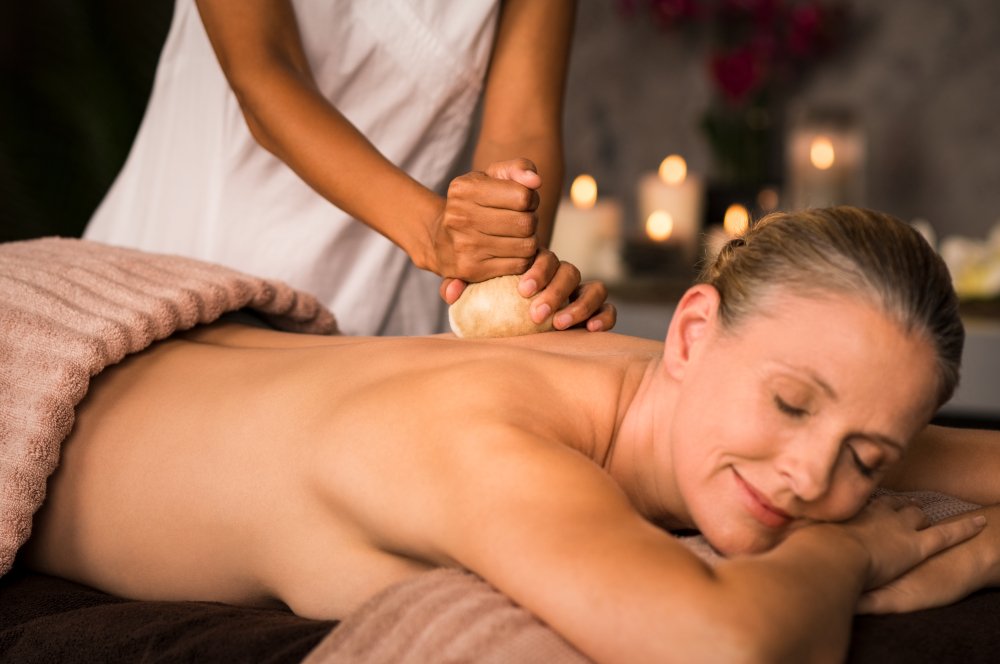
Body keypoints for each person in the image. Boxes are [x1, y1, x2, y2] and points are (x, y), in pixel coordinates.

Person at [24, 206, 1000, 661]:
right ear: (694, 329)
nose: (805, 475)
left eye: (865, 458)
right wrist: (846, 548)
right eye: (791, 406)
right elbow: (721, 644)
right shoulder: (489, 450)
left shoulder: (673, 385)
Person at [82, 0, 615, 336]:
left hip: (377, 309)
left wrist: (516, 287)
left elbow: (521, 127)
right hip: (191, 267)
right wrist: (433, 231)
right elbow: (263, 72)